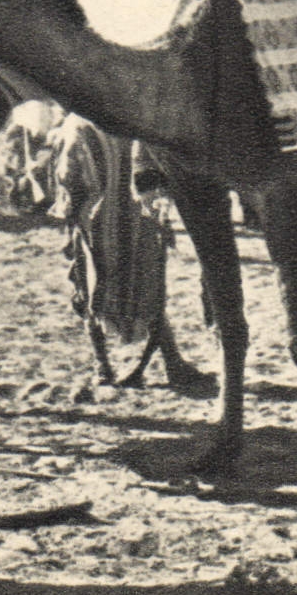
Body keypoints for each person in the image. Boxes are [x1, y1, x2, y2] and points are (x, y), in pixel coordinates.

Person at [53, 116, 214, 395]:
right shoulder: (135, 116)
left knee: (93, 289)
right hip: (141, 216)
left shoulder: (78, 126)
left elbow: (69, 178)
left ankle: (103, 368)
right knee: (148, 285)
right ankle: (172, 361)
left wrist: (72, 212)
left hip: (98, 222)